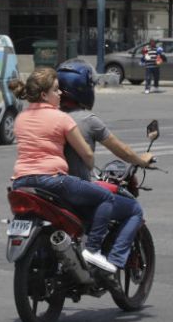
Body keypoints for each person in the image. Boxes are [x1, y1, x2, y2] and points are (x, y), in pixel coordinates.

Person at [10, 67, 116, 272]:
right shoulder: (62, 118)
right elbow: (86, 154)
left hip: (21, 183)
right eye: (56, 90)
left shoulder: (21, 118)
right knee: (105, 198)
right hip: (52, 181)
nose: (60, 94)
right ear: (44, 94)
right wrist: (90, 166)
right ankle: (93, 250)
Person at [57, 59, 154, 273]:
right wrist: (140, 159)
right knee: (133, 210)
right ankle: (112, 262)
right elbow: (121, 150)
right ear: (83, 88)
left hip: (45, 187)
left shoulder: (46, 116)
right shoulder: (88, 120)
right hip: (76, 191)